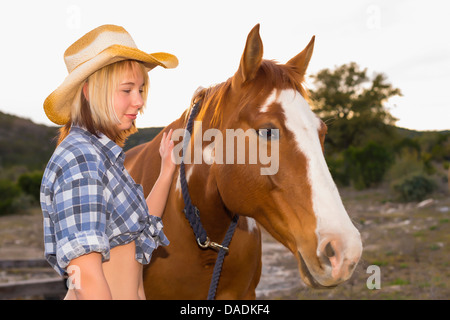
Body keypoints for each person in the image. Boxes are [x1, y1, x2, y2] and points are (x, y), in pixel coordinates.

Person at [40, 24, 178, 299]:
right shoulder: (81, 160)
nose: (139, 101)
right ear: (90, 92)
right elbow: (86, 277)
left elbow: (138, 226)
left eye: (140, 89)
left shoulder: (102, 157)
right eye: (127, 90)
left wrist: (166, 171)